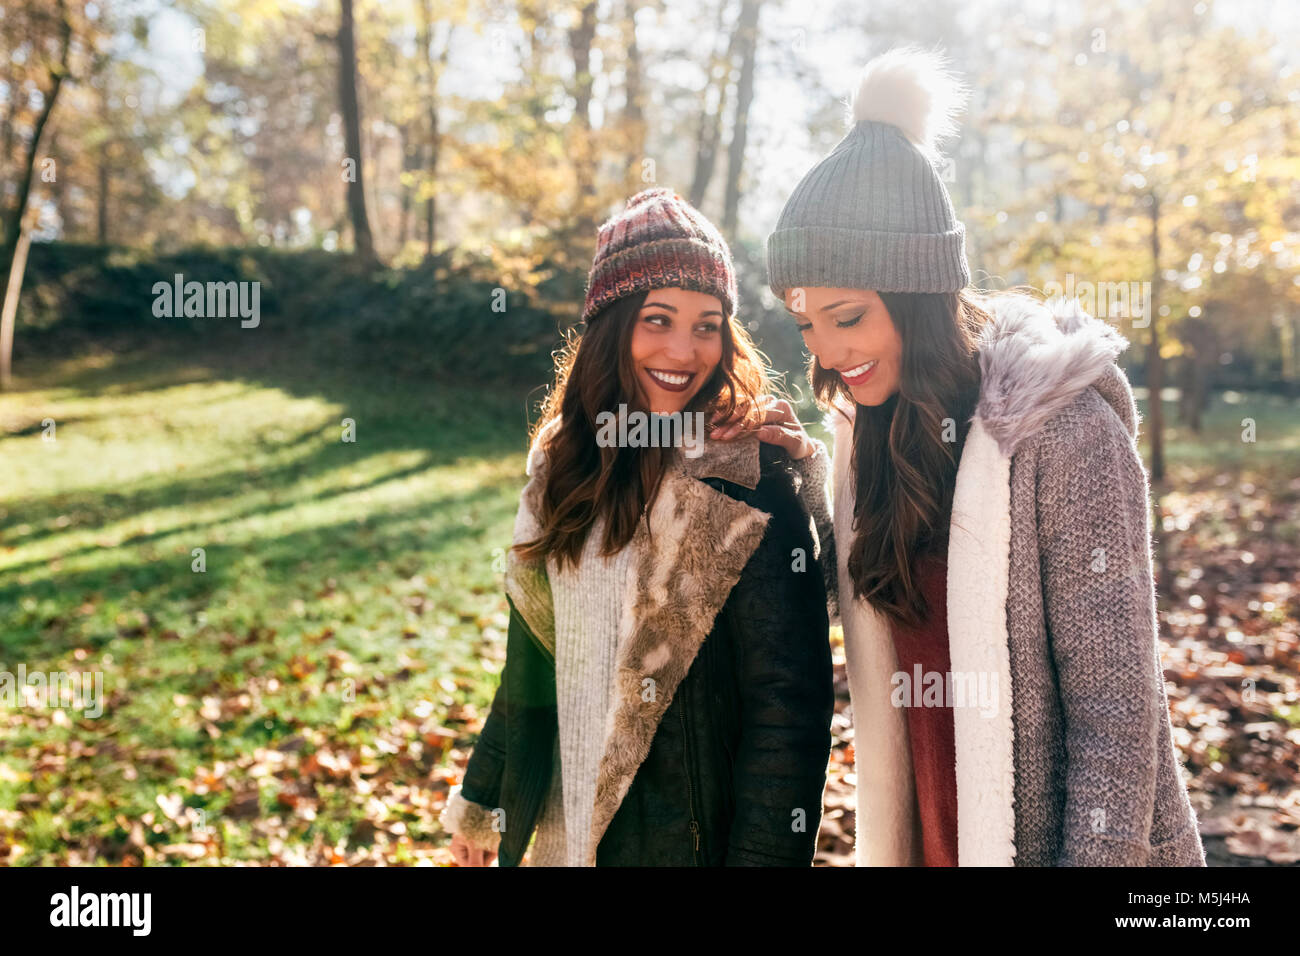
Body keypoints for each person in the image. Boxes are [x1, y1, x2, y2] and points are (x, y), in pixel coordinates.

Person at [766, 47, 1206, 866]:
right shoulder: (873, 434)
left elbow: (1117, 710)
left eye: (848, 316)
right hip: (934, 836)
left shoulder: (1063, 433)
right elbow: (883, 609)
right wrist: (799, 486)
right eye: (806, 326)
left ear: (917, 292)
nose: (825, 352)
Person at [439, 187, 835, 866]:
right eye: (659, 319)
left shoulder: (747, 472)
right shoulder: (560, 467)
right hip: (565, 835)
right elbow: (531, 664)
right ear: (611, 324)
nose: (685, 350)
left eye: (707, 324)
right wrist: (483, 803)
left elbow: (788, 714)